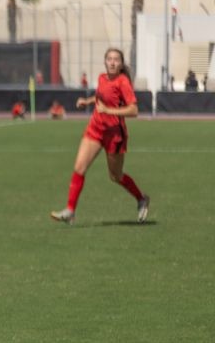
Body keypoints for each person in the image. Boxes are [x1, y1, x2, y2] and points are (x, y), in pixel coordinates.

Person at [50, 47, 148, 225]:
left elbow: (134, 110)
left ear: (120, 64)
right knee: (79, 167)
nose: (112, 62)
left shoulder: (123, 81)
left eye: (116, 59)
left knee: (115, 176)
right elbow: (100, 97)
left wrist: (108, 110)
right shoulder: (102, 78)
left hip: (115, 136)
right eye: (109, 59)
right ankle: (70, 210)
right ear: (105, 61)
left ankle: (141, 198)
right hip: (95, 129)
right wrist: (86, 101)